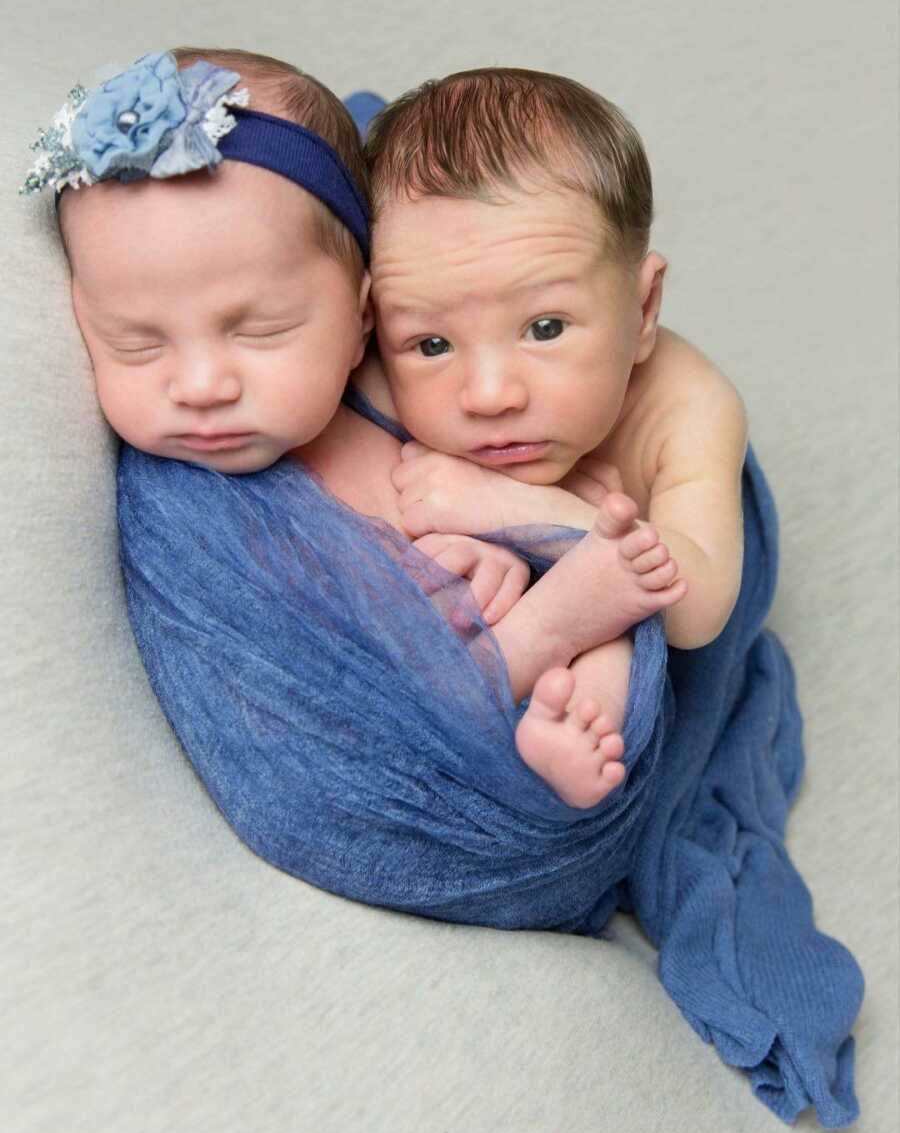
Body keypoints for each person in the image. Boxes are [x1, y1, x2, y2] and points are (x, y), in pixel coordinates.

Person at [27, 47, 685, 809]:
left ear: (363, 314)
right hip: (421, 740)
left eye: (263, 331)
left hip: (535, 690)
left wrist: (489, 550)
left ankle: (574, 693)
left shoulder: (401, 383)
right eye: (135, 344)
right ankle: (550, 646)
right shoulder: (197, 515)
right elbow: (328, 683)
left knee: (610, 589)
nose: (201, 387)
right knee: (594, 595)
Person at [349, 68, 748, 806]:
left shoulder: (689, 403)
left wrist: (507, 506)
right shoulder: (372, 362)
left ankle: (580, 715)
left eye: (546, 327)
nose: (491, 395)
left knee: (631, 632)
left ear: (645, 304)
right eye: (432, 343)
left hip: (677, 543)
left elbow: (699, 612)